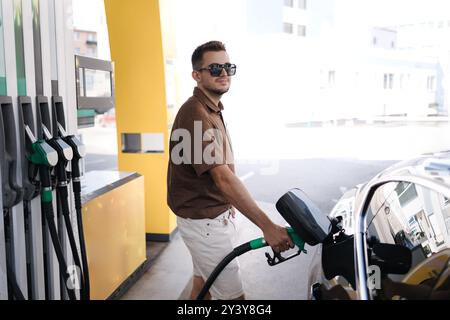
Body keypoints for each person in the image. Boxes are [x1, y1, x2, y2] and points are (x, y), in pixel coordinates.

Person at [167, 41, 293, 300]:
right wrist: (267, 225)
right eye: (214, 68)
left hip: (208, 219)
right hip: (205, 226)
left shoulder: (208, 108)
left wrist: (227, 202)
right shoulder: (196, 113)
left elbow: (215, 174)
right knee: (234, 299)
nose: (223, 73)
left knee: (203, 285)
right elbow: (222, 177)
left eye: (228, 67)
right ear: (197, 75)